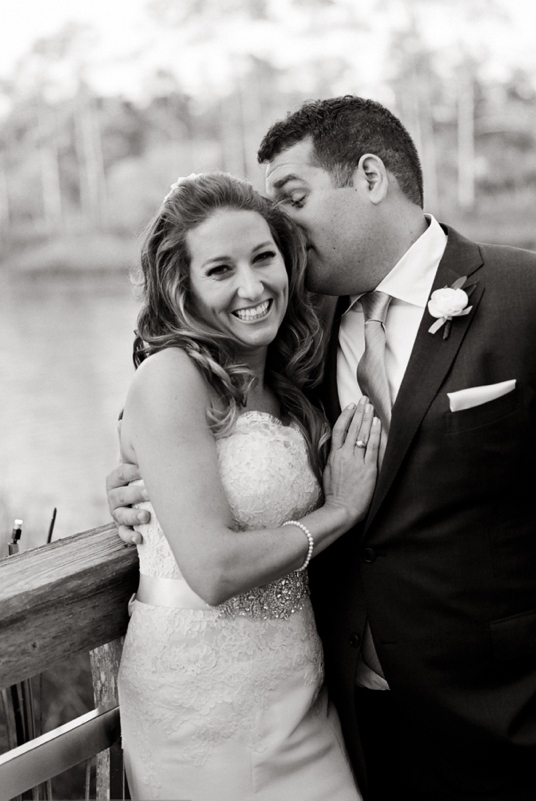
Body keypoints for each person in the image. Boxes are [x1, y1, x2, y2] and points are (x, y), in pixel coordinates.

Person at [109, 96, 536, 801]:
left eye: (293, 197)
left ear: (370, 176)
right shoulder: (297, 339)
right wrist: (134, 477)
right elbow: (210, 427)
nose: (280, 226)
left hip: (523, 716)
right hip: (353, 719)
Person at [115, 170, 382, 801]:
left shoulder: (290, 382)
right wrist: (340, 509)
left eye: (264, 258)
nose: (252, 286)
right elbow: (210, 570)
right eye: (220, 270)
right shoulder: (169, 379)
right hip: (201, 705)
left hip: (299, 686)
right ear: (183, 287)